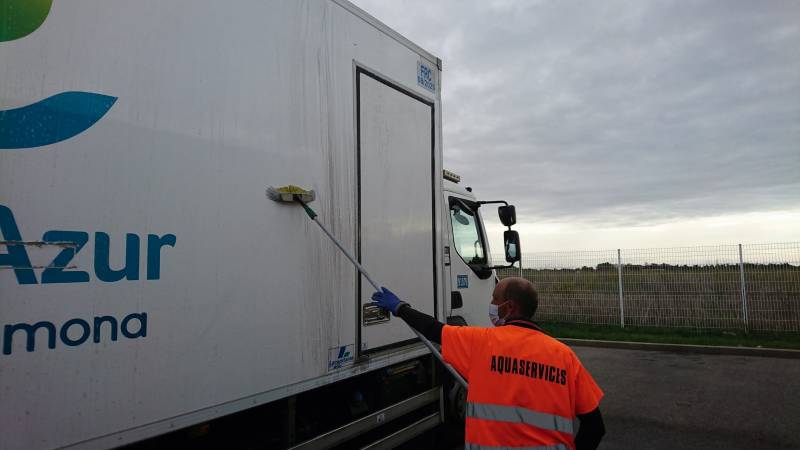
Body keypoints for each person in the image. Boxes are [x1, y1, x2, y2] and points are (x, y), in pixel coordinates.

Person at [371, 277, 605, 450]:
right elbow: (595, 427)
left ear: (509, 307)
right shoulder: (565, 356)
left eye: (494, 298)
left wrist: (401, 308)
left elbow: (434, 329)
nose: (491, 303)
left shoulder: (480, 342)